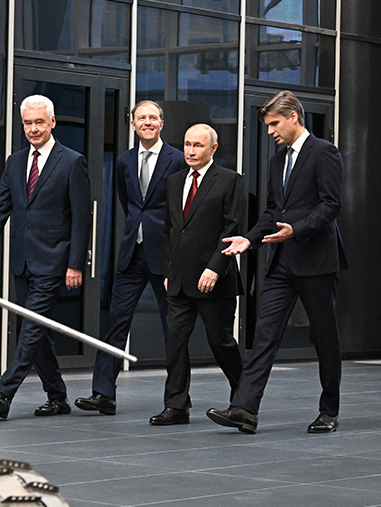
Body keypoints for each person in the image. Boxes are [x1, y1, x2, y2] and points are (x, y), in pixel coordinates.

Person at [208, 90, 346, 434]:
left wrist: (296, 230)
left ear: (293, 117)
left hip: (316, 260)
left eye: (274, 123)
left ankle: (329, 411)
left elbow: (331, 205)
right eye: (268, 125)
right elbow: (273, 212)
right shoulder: (277, 161)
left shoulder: (324, 152)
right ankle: (244, 409)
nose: (270, 131)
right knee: (264, 335)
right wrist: (249, 239)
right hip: (282, 263)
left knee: (325, 338)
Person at [0, 94, 92, 419]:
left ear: (52, 122)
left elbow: (81, 218)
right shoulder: (15, 162)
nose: (33, 129)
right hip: (22, 261)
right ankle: (57, 396)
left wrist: (75, 263)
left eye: (39, 122)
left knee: (29, 328)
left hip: (54, 261)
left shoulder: (72, 161)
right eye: (27, 123)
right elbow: (1, 206)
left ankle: (4, 393)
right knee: (38, 332)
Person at [74, 101, 185, 415]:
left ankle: (178, 401)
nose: (147, 122)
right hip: (131, 254)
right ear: (132, 124)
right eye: (141, 118)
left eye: (153, 118)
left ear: (161, 123)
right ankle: (103, 393)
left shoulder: (177, 159)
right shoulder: (123, 161)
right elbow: (130, 204)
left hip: (165, 256)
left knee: (173, 329)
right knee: (115, 323)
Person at [149, 124, 244, 425]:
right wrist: (168, 270)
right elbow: (170, 230)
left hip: (214, 280)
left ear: (213, 148)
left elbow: (232, 229)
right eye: (187, 144)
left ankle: (244, 398)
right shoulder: (175, 181)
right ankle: (176, 406)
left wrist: (215, 268)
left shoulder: (229, 180)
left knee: (221, 342)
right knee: (175, 343)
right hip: (179, 280)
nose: (190, 151)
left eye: (198, 145)